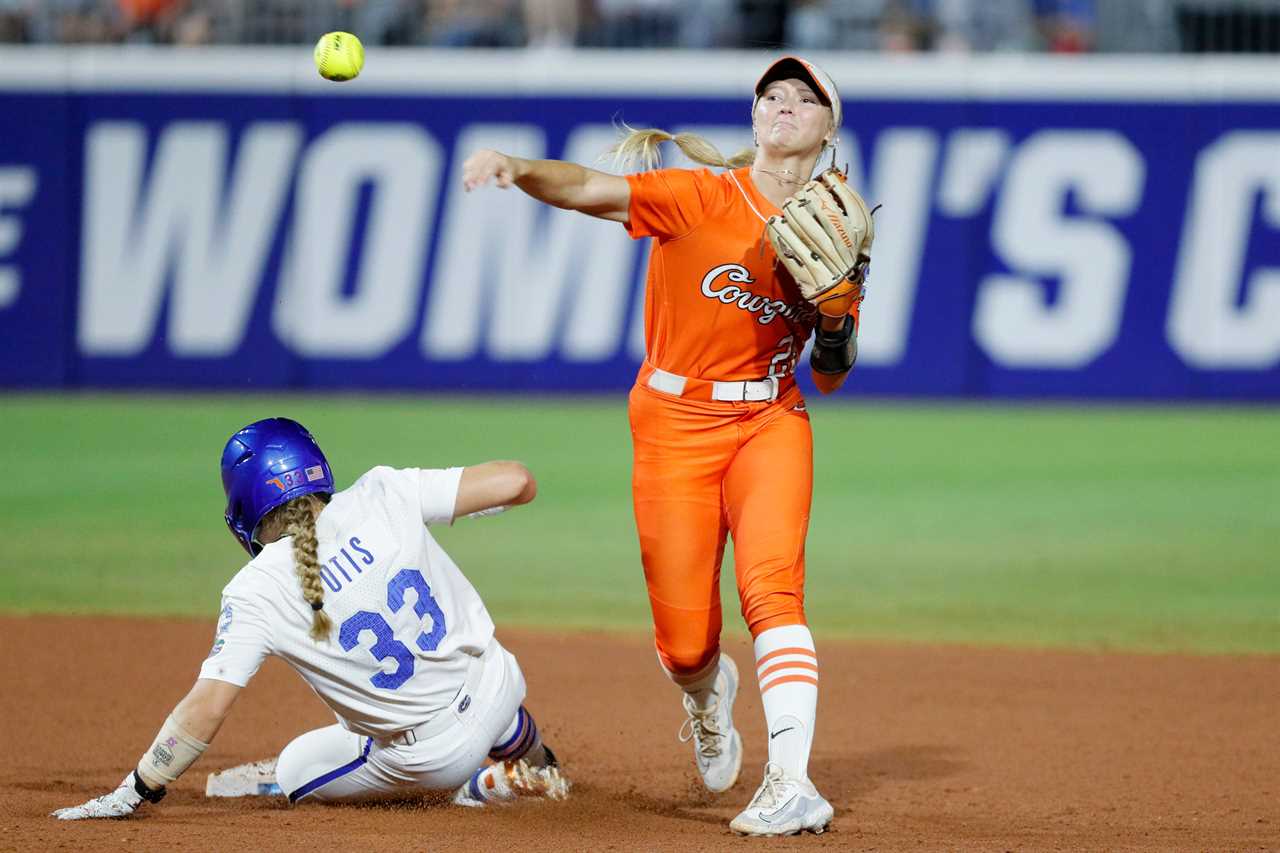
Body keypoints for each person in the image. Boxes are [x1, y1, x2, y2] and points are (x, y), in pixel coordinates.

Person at [461, 55, 860, 836]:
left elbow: (834, 373)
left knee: (773, 589)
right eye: (771, 94)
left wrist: (841, 320)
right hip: (673, 427)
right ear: (754, 118)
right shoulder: (697, 195)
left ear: (826, 126)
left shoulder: (837, 218)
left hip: (771, 424)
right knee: (685, 643)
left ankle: (790, 782)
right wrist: (515, 167)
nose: (783, 104)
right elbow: (583, 187)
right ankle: (709, 697)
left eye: (803, 98)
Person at [52, 417, 568, 819]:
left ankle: (479, 788)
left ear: (244, 505)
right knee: (458, 685)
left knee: (298, 769)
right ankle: (529, 754)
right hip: (501, 680)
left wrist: (137, 788)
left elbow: (206, 707)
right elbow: (517, 482)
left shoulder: (258, 588)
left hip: (435, 757)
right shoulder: (383, 493)